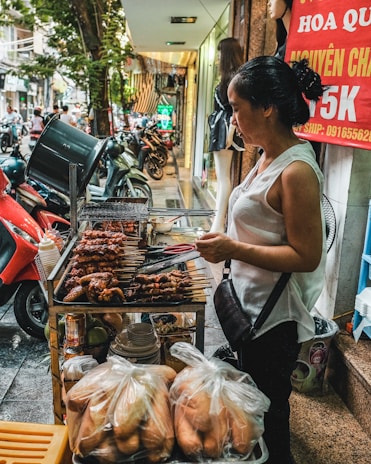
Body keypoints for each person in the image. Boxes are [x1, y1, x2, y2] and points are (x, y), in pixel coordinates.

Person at [195, 56, 326, 464]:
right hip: (249, 307)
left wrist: (231, 249)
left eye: (237, 108)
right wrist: (227, 239)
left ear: (267, 107)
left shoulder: (297, 170)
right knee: (249, 416)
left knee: (270, 421)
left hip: (274, 321)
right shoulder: (266, 155)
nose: (232, 118)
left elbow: (306, 255)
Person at [208, 37, 244, 233]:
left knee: (223, 179)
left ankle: (218, 225)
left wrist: (230, 134)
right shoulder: (233, 77)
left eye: (220, 52)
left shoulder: (232, 78)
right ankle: (218, 221)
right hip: (222, 129)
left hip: (224, 130)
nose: (218, 56)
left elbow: (233, 109)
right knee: (223, 178)